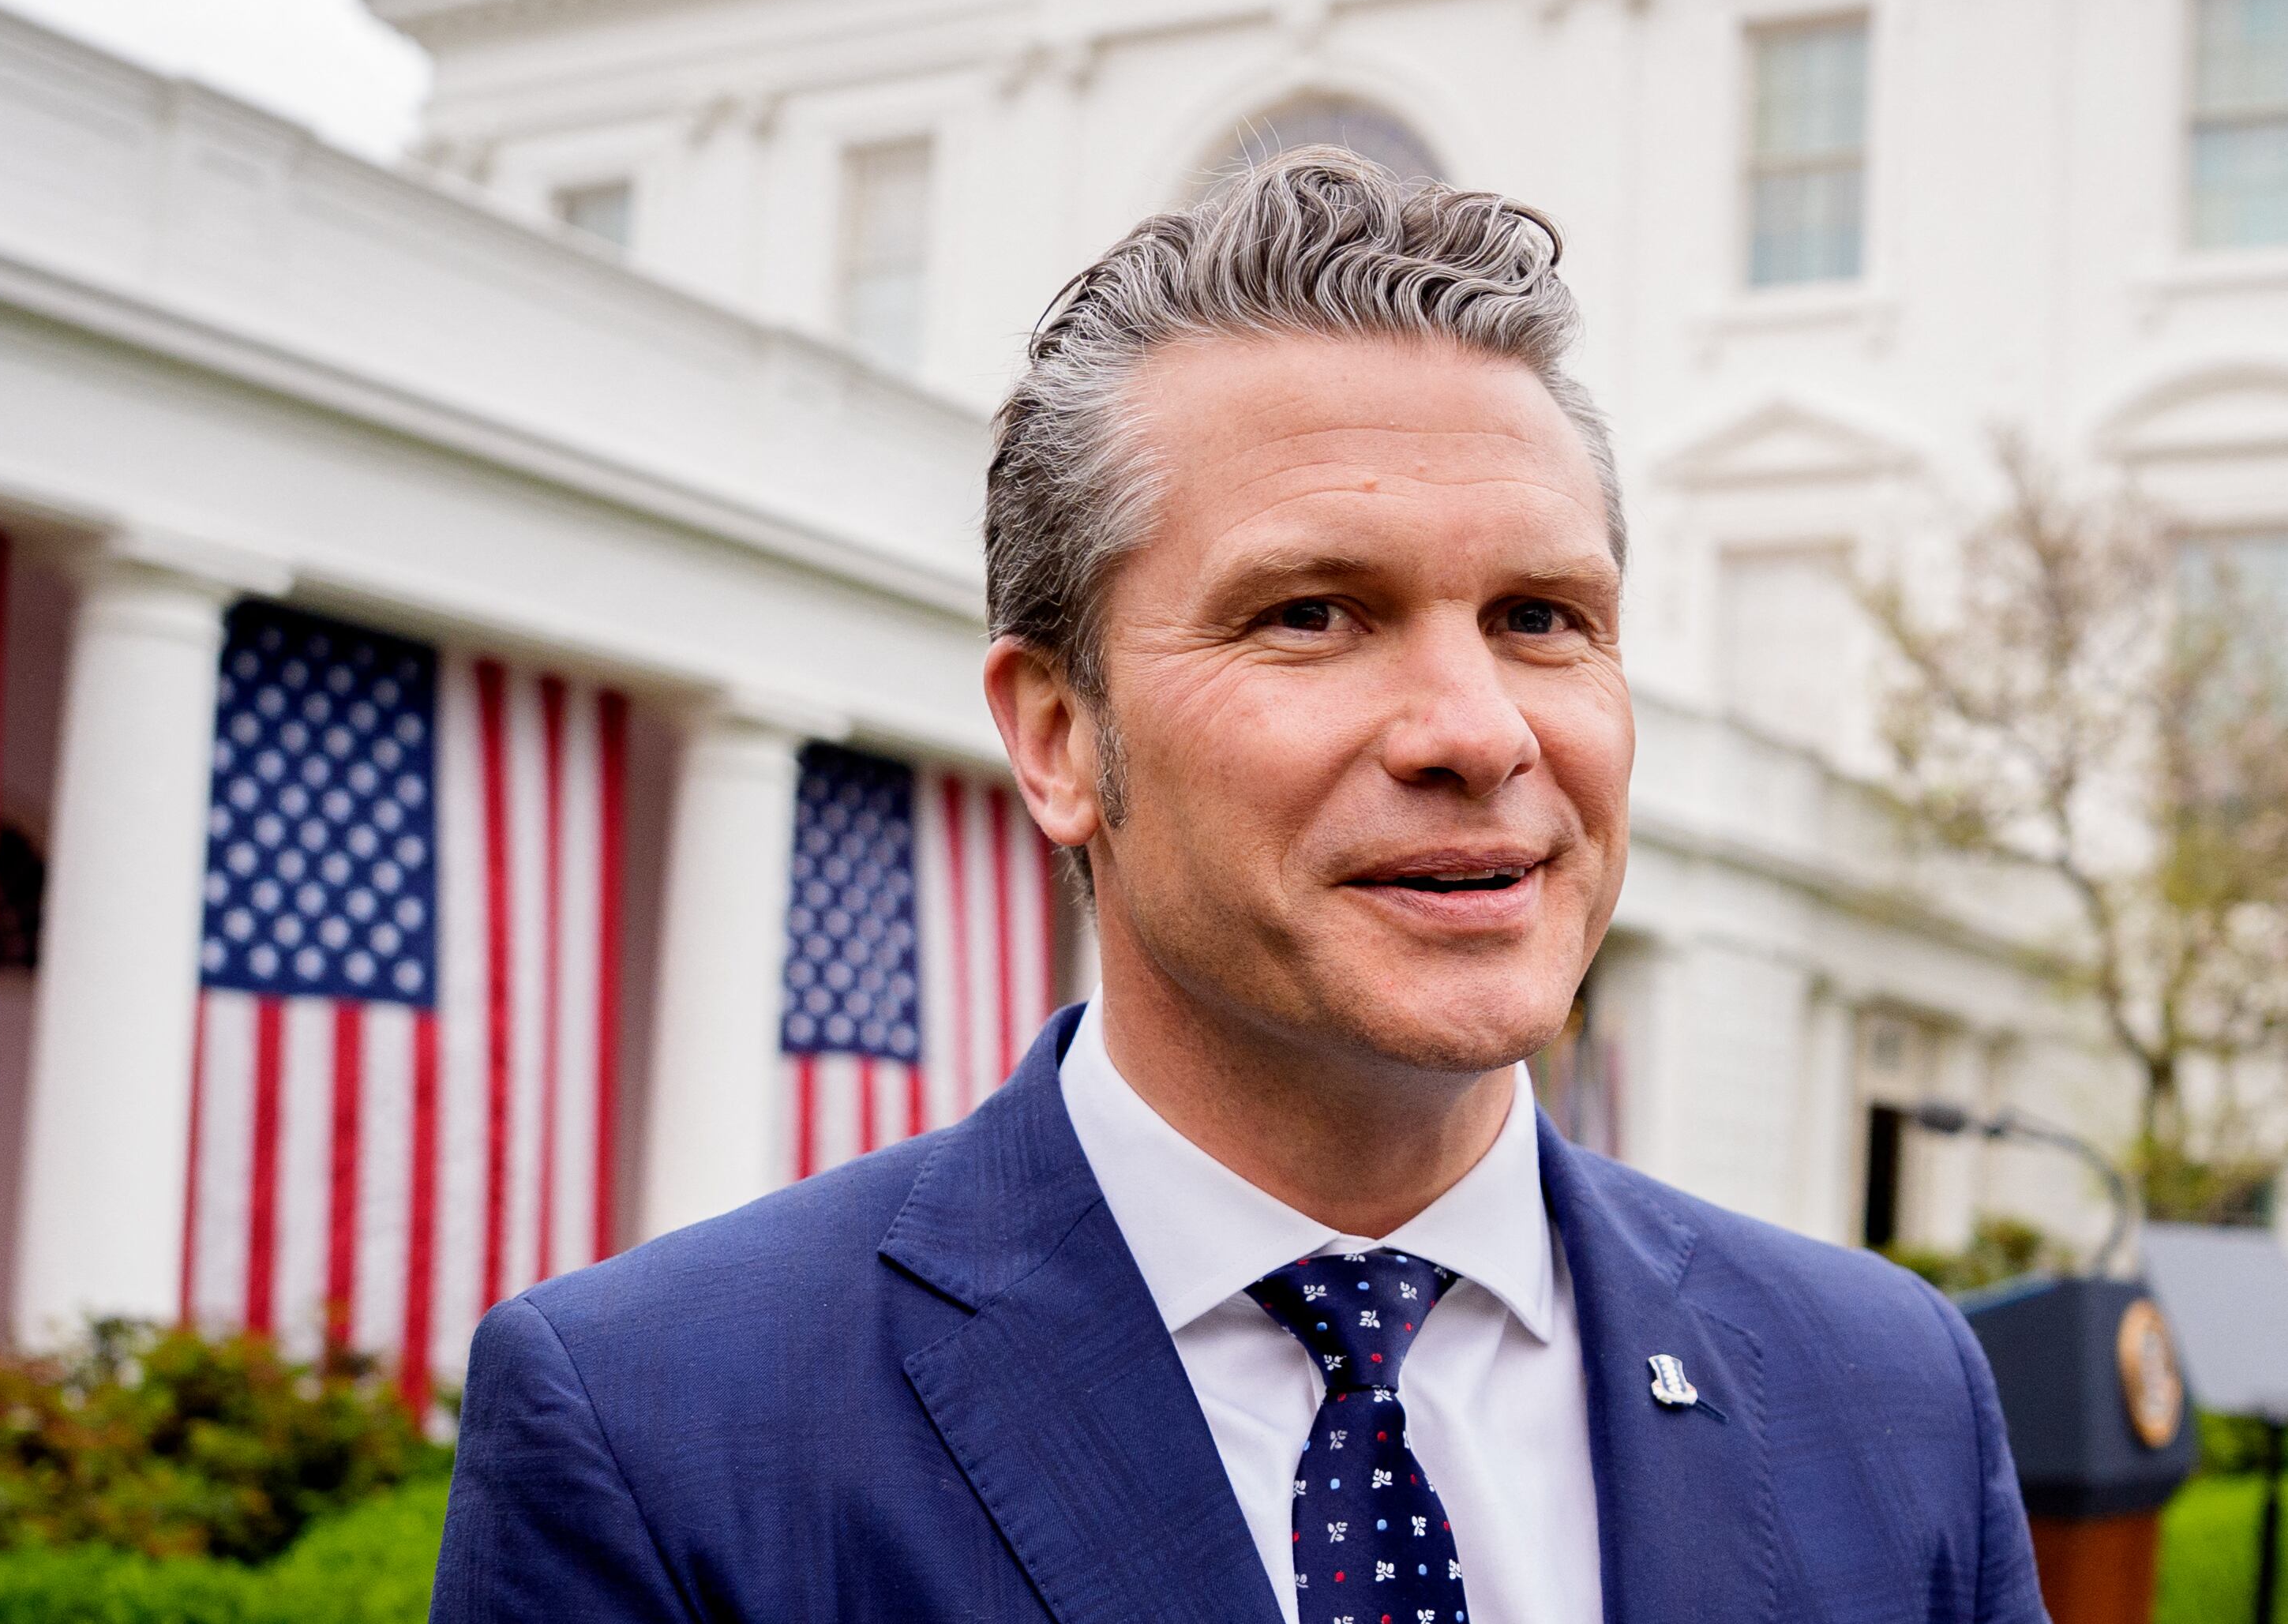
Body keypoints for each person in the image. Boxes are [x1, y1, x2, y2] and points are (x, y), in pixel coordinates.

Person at [430, 148, 2045, 1622]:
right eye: (1309, 614)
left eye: (1541, 617)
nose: (1475, 731)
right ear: (1059, 735)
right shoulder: (660, 1434)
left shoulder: (1889, 1392)